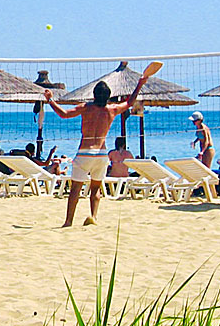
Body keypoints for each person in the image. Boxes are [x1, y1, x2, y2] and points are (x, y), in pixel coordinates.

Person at [45, 75, 148, 227]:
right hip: (101, 154)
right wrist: (140, 84)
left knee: (75, 190)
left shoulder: (86, 108)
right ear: (108, 96)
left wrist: (50, 100)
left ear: (94, 94)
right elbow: (129, 103)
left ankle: (68, 222)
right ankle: (93, 216)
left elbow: (63, 114)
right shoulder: (112, 109)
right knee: (95, 189)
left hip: (85, 152)